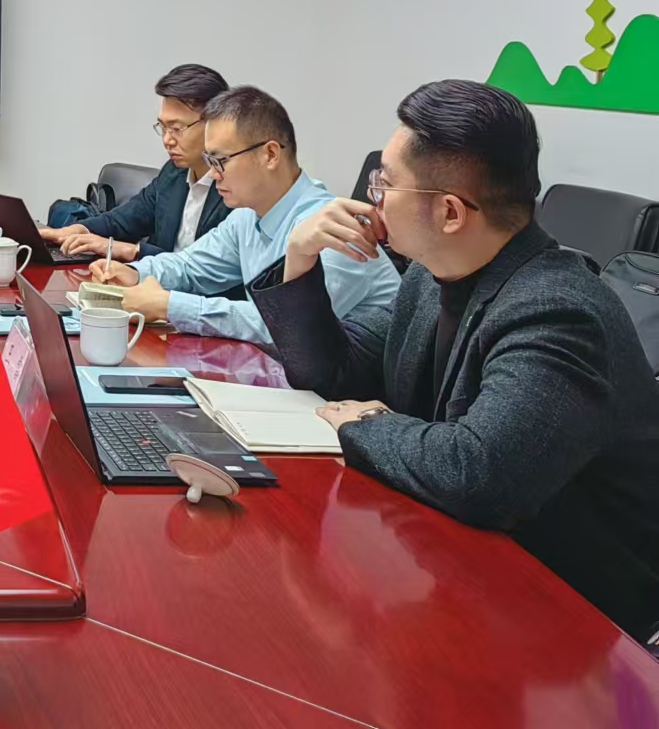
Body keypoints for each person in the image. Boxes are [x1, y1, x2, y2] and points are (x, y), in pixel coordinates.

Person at [251, 80, 659, 640]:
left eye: (384, 183)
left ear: (448, 213)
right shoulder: (431, 275)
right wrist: (299, 259)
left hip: (579, 618)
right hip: (465, 562)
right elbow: (333, 374)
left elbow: (478, 474)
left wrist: (367, 423)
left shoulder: (558, 311)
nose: (372, 199)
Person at [85, 85, 399, 344]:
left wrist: (170, 305)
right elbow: (191, 267)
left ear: (270, 154)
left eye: (220, 160)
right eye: (210, 160)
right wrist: (136, 273)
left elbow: (283, 327)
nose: (213, 173)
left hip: (359, 394)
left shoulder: (331, 229)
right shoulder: (248, 216)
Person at [42, 64, 232, 261]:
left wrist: (133, 251)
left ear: (214, 124)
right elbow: (123, 220)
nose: (167, 140)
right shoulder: (174, 172)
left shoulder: (235, 187)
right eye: (163, 127)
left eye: (177, 128)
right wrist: (78, 230)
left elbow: (212, 267)